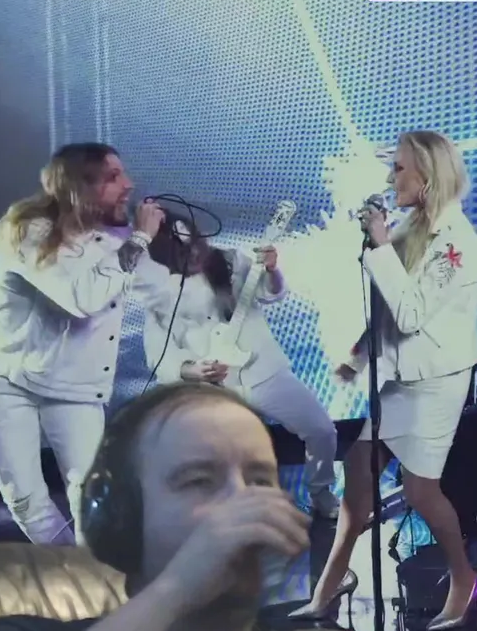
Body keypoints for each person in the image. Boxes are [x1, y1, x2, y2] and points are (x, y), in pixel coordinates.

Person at [0, 382, 426, 631]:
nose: (244, 503)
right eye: (199, 481)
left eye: (260, 480)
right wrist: (175, 590)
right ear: (123, 518)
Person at [290, 130, 477, 631]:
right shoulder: (411, 227)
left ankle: (464, 577)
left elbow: (410, 313)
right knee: (358, 475)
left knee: (421, 491)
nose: (390, 177)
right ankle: (330, 585)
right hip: (400, 376)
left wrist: (380, 244)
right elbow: (385, 313)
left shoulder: (456, 240)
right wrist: (357, 358)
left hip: (437, 379)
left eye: (399, 168)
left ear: (427, 175)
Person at [0, 143, 167, 545]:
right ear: (80, 186)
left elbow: (168, 284)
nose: (129, 185)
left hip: (75, 386)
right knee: (26, 500)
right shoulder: (28, 231)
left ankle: (91, 572)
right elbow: (82, 299)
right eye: (113, 177)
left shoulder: (115, 240)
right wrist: (140, 238)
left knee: (93, 500)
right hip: (7, 382)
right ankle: (72, 574)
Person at [142, 215, 339, 519]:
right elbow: (158, 354)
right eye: (180, 247)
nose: (192, 251)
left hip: (263, 373)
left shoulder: (230, 261)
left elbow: (272, 293)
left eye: (193, 241)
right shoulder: (160, 294)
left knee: (322, 430)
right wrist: (192, 370)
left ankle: (321, 492)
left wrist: (272, 271)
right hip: (215, 389)